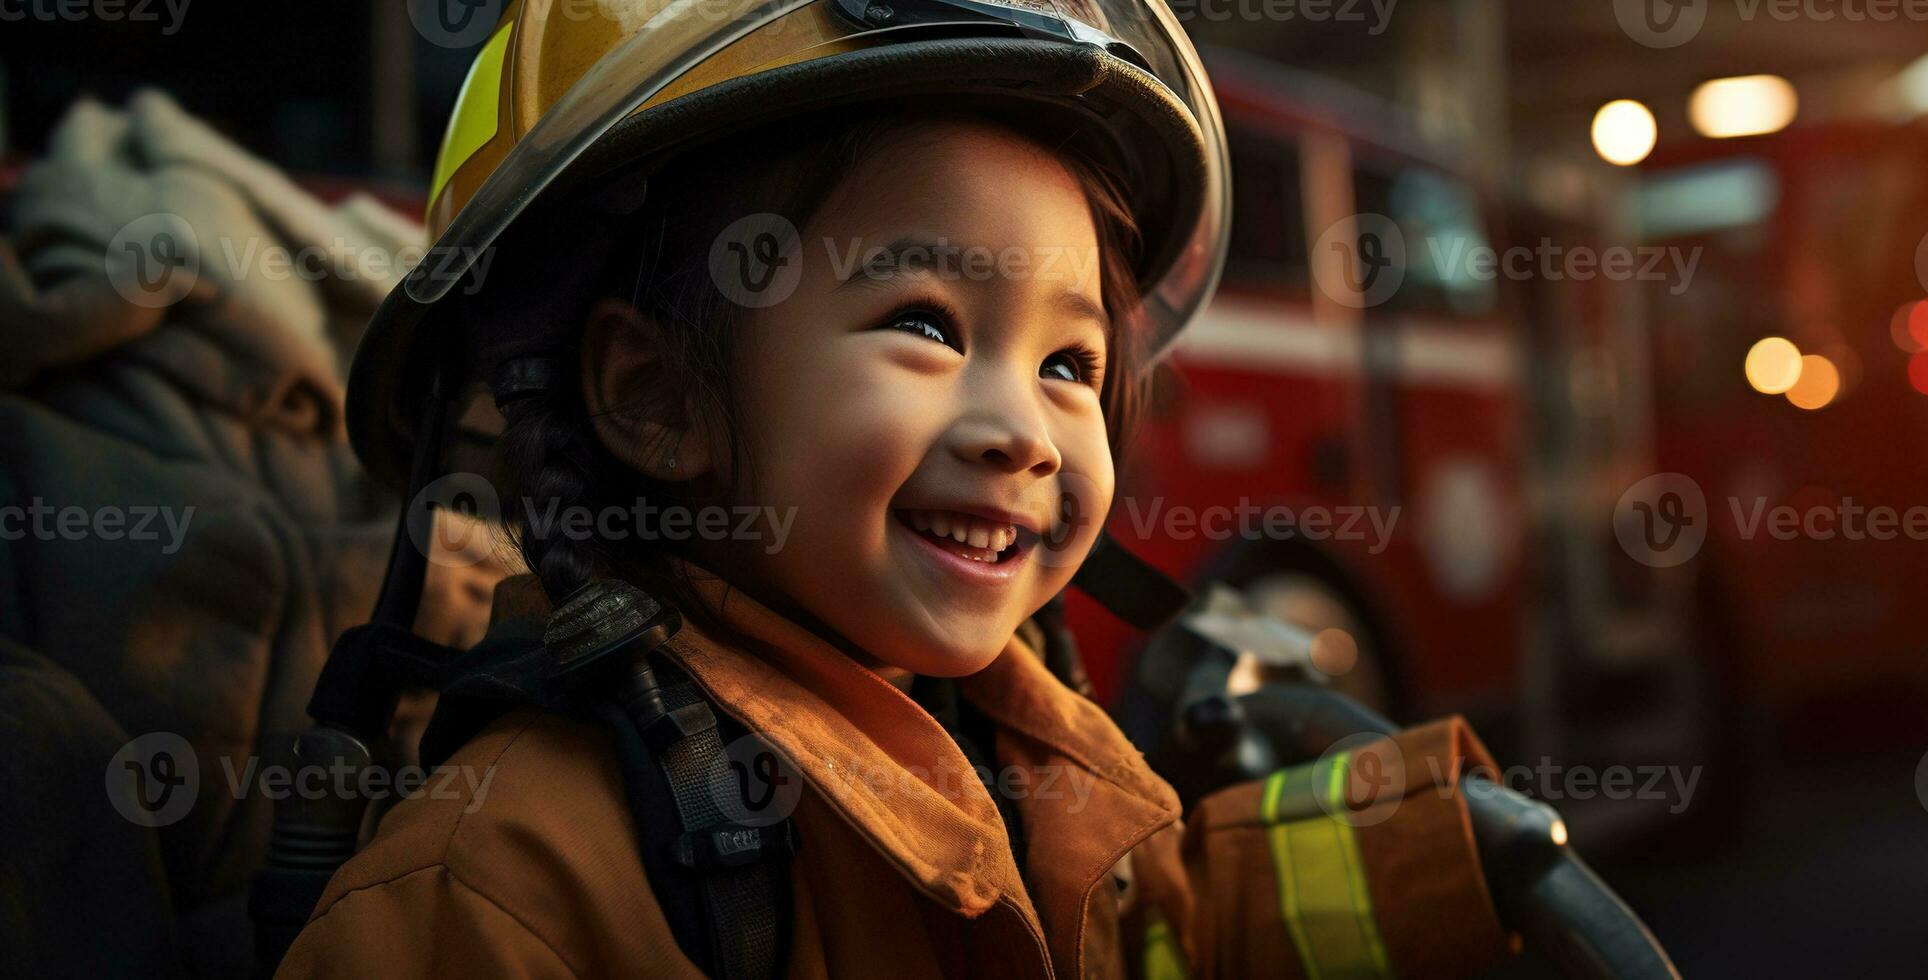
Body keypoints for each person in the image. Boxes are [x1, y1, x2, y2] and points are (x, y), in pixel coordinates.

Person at [278, 1, 1605, 976]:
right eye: (923, 323)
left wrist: (1428, 868)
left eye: (1071, 360)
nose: (1023, 432)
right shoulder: (504, 889)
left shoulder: (1013, 755)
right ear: (654, 397)